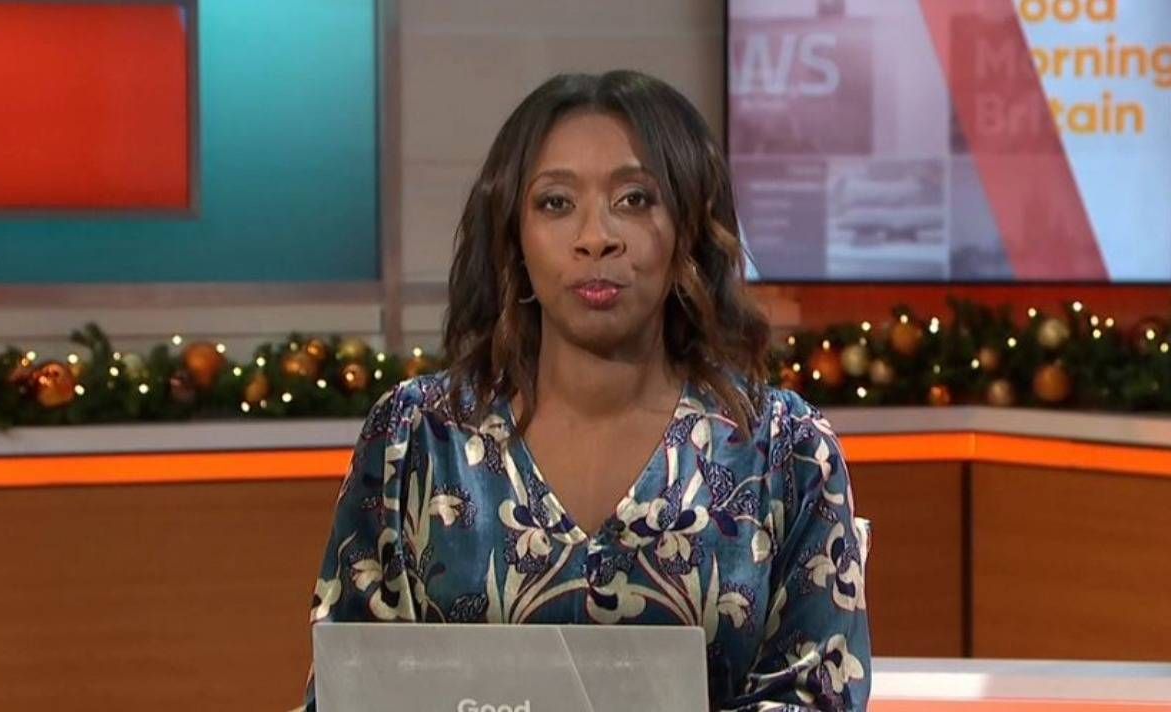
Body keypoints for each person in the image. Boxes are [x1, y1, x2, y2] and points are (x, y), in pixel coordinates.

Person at [303, 70, 870, 711]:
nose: (595, 236)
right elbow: (351, 690)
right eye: (555, 203)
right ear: (513, 237)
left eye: (634, 199)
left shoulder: (783, 450)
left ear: (689, 225)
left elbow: (816, 694)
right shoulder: (417, 438)